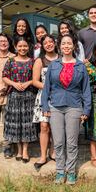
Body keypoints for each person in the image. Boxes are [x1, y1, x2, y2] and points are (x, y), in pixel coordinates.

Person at [41, 34, 91, 185]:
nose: (66, 46)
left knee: (71, 142)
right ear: (60, 46)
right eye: (64, 44)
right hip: (55, 106)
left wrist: (86, 110)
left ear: (74, 46)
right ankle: (59, 171)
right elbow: (46, 88)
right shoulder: (53, 65)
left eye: (69, 43)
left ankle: (70, 172)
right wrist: (45, 106)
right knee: (58, 142)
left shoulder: (81, 66)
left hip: (74, 107)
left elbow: (86, 90)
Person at [2, 37, 37, 163]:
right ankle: (19, 150)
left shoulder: (33, 61)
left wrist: (28, 83)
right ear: (16, 47)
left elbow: (36, 78)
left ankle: (26, 151)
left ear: (28, 47)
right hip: (14, 96)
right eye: (20, 46)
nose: (23, 48)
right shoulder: (10, 61)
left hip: (29, 96)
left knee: (27, 124)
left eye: (25, 46)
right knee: (16, 124)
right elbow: (4, 76)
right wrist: (13, 83)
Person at [32, 34, 59, 170]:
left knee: (56, 126)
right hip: (44, 96)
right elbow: (35, 81)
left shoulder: (62, 59)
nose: (49, 44)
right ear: (42, 46)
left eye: (51, 42)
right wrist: (49, 87)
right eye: (46, 43)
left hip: (60, 97)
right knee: (44, 126)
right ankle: (43, 156)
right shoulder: (39, 61)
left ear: (55, 43)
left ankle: (53, 152)